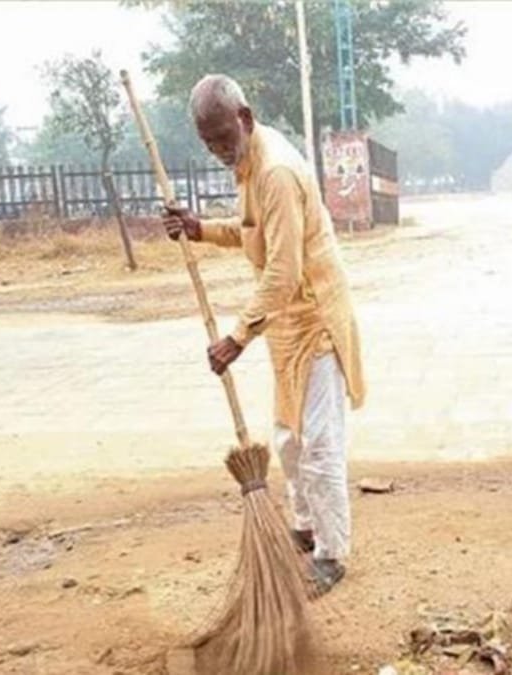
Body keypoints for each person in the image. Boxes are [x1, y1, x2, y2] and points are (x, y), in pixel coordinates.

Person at [162, 74, 364, 595]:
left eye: (225, 139)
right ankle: (304, 526)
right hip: (285, 324)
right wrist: (200, 227)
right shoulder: (249, 166)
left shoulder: (274, 172)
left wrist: (237, 337)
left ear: (245, 118)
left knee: (319, 446)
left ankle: (332, 553)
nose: (220, 151)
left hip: (314, 320)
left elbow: (283, 271)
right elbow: (253, 234)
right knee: (288, 442)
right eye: (209, 144)